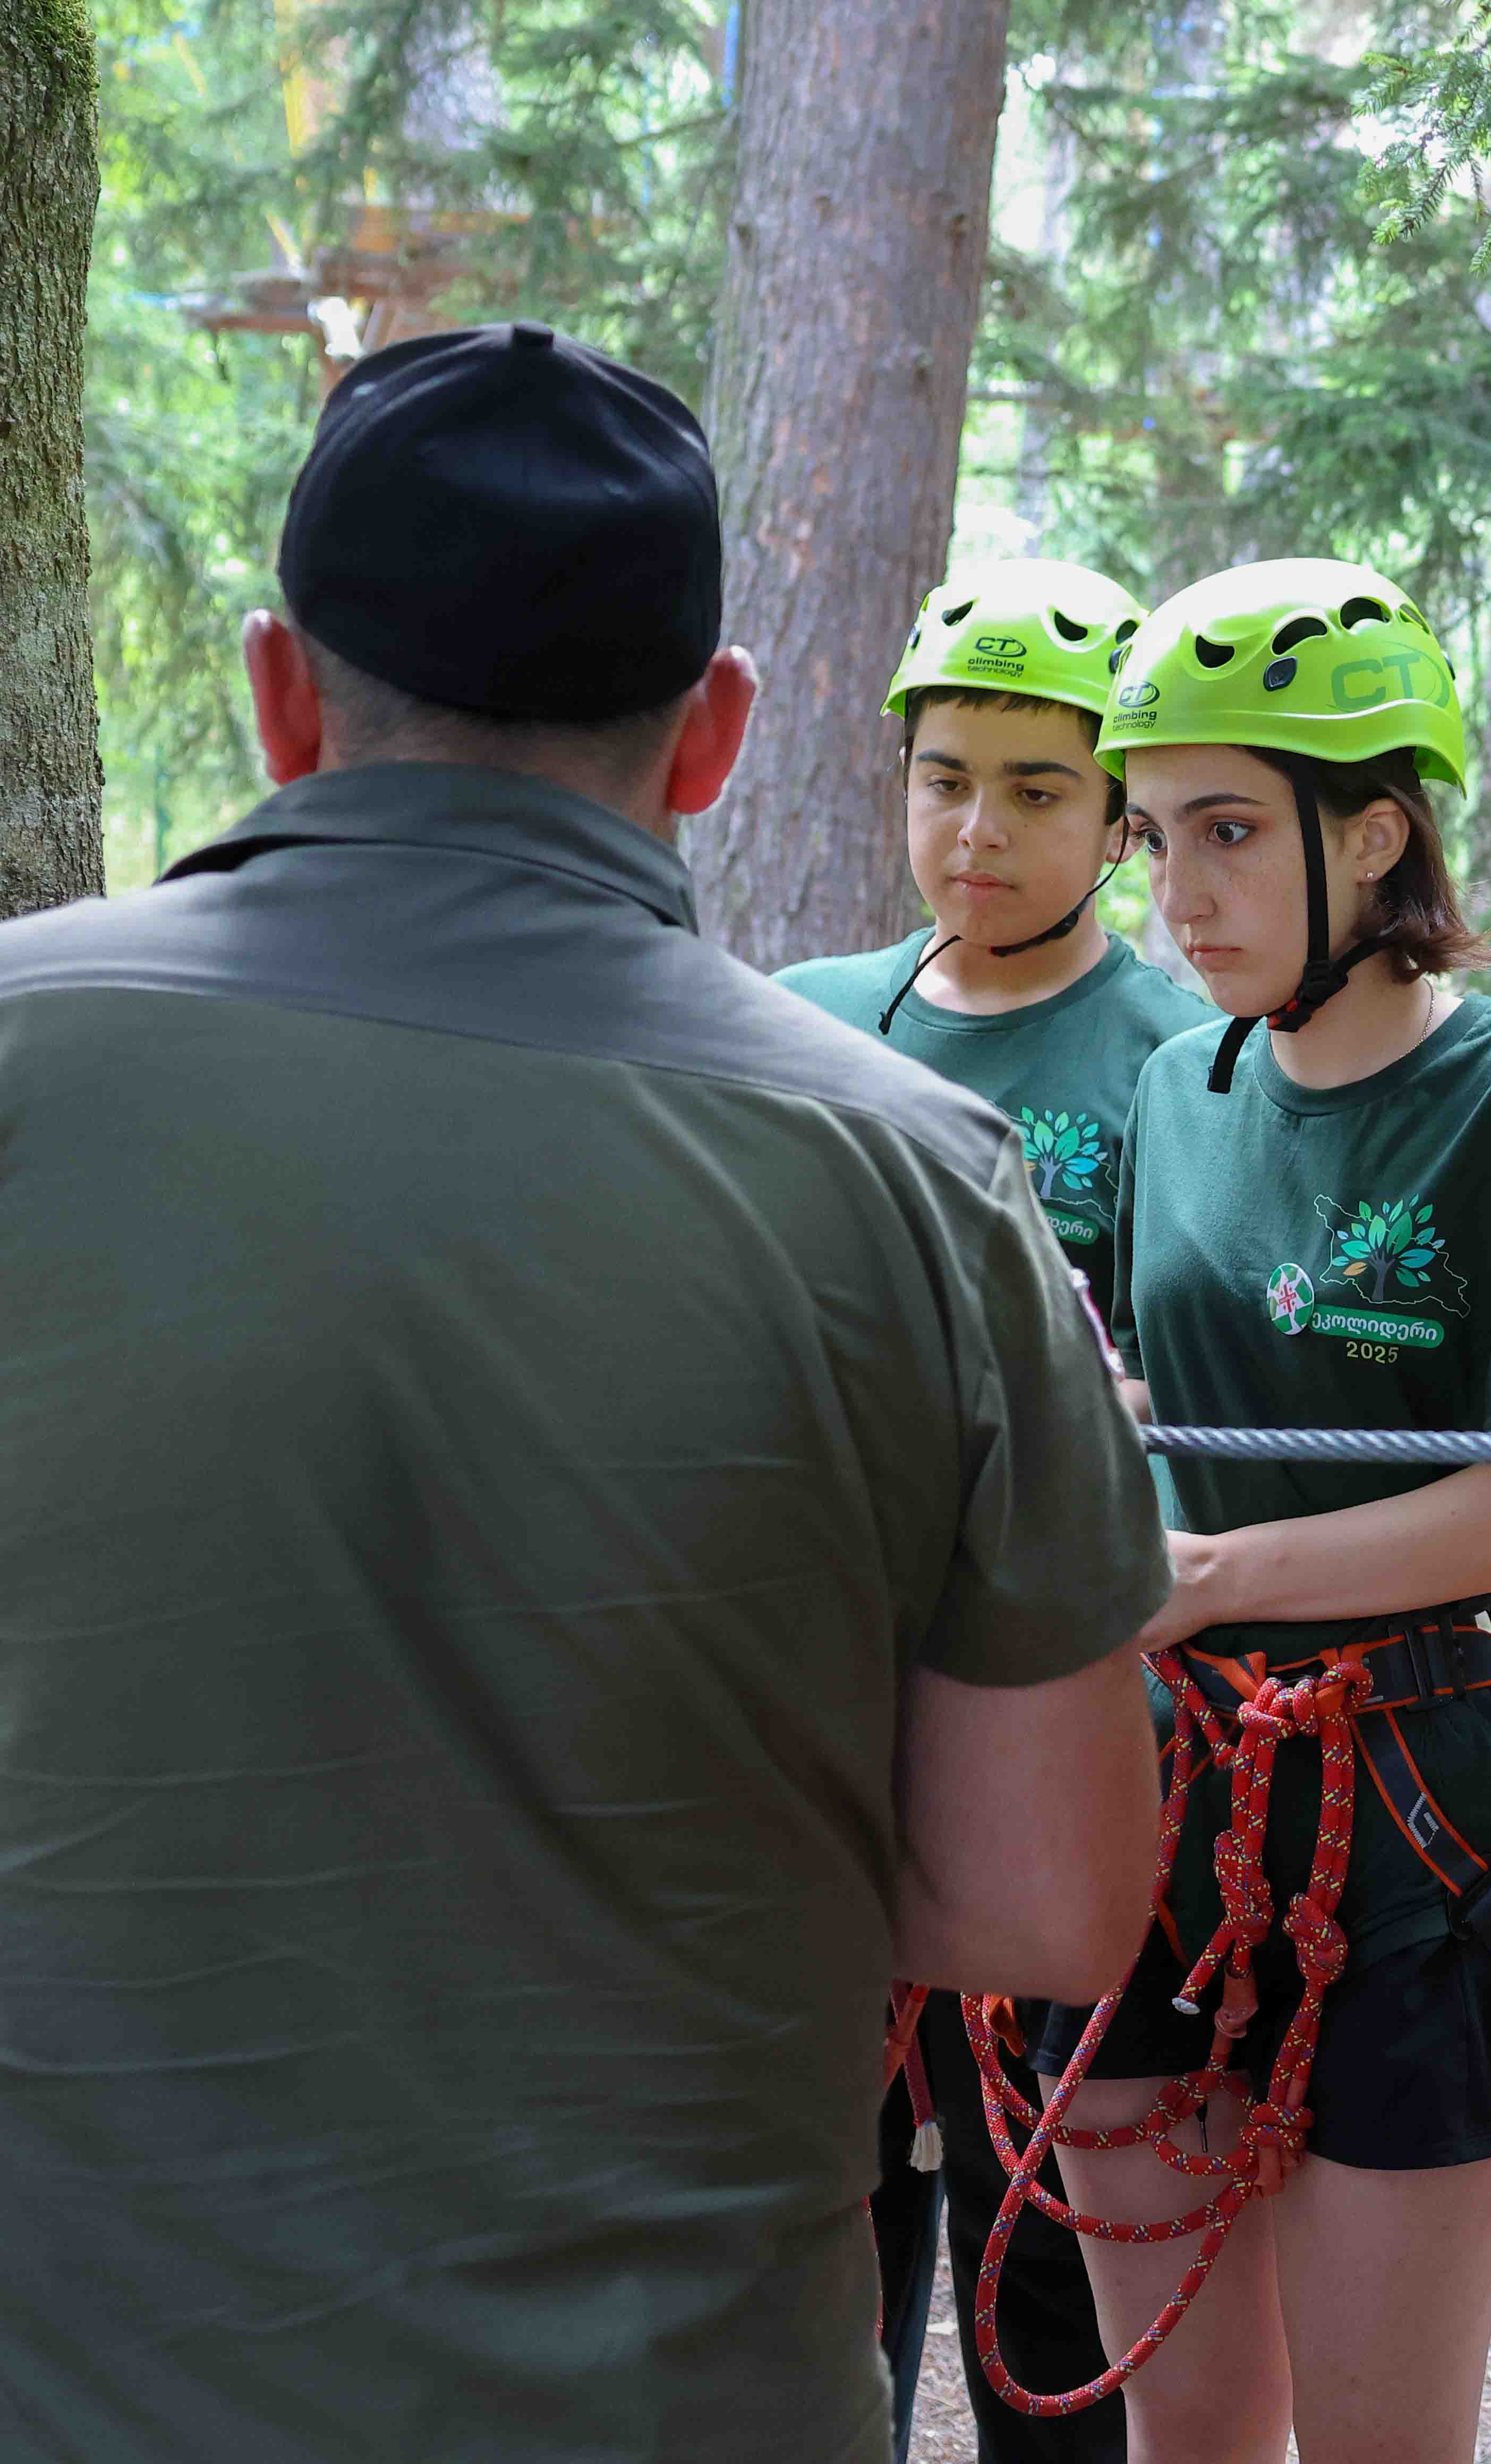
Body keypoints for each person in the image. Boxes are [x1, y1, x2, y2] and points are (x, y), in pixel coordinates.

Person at [0, 321, 1169, 2458]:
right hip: (665, 2397)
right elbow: (1050, 1900)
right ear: (715, 733)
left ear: (280, 691)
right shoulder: (918, 1180)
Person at [1023, 557, 1491, 2464]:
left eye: (1230, 830)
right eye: (1154, 836)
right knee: (1190, 2444)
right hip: (1167, 1803)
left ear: (1376, 831)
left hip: (1415, 1834)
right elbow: (1166, 1407)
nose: (1178, 891)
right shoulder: (1179, 1085)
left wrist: (1217, 1570)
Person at [781, 555, 1206, 2462]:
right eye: (946, 780)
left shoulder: (1185, 1062)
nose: (979, 831)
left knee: (1044, 2229)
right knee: (822, 2208)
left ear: (1120, 817)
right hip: (821, 1716)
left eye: (1039, 791)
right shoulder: (802, 1028)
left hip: (1063, 1718)